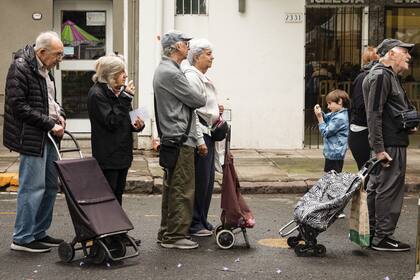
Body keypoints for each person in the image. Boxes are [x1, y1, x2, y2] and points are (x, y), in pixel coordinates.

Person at [3, 31, 66, 253]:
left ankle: (39, 232)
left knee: (50, 186)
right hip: (31, 137)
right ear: (42, 52)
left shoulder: (46, 70)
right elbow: (19, 106)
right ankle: (22, 238)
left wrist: (61, 115)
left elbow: (51, 101)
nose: (61, 59)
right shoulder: (20, 67)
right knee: (32, 188)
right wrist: (50, 124)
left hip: (47, 136)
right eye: (58, 54)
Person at [153, 31, 206, 249]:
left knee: (173, 186)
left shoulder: (167, 70)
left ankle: (167, 232)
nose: (189, 46)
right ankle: (174, 236)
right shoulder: (171, 73)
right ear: (175, 47)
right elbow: (198, 99)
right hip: (180, 138)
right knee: (182, 188)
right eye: (185, 43)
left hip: (174, 138)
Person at [363, 39, 417, 252]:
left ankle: (373, 234)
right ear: (391, 54)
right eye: (405, 52)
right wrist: (378, 149)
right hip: (388, 145)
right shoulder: (381, 76)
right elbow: (373, 114)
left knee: (379, 188)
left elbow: (386, 111)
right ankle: (381, 237)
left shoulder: (387, 76)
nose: (409, 57)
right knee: (388, 190)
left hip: (391, 142)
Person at [87, 54, 145, 205]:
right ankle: (109, 227)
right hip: (108, 156)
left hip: (122, 154)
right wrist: (125, 97)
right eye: (121, 72)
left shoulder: (119, 90)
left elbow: (126, 118)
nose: (125, 75)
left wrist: (137, 124)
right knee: (109, 194)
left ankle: (117, 226)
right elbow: (111, 121)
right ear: (110, 75)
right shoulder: (97, 94)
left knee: (118, 193)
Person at [183, 38, 223, 237]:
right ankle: (195, 222)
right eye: (208, 53)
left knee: (207, 181)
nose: (212, 57)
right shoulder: (192, 77)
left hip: (208, 133)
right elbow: (194, 109)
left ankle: (202, 219)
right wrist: (199, 141)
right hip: (201, 135)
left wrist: (217, 109)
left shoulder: (199, 76)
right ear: (197, 56)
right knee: (200, 181)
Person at [348, 46, 379, 169]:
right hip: (361, 131)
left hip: (366, 129)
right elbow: (361, 105)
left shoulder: (375, 76)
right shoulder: (364, 77)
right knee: (367, 173)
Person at [314, 89, 350, 174]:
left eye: (330, 103)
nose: (328, 107)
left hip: (334, 154)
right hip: (334, 153)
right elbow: (327, 118)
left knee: (332, 179)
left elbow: (325, 132)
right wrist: (321, 113)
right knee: (331, 177)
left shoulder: (340, 118)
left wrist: (319, 117)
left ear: (340, 101)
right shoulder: (338, 114)